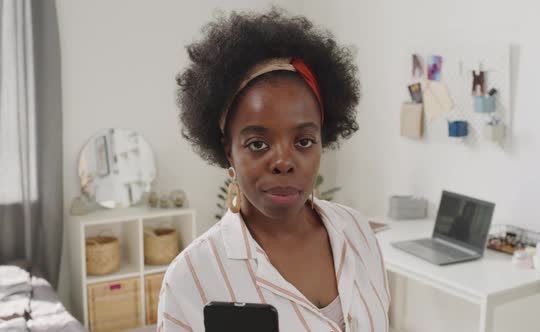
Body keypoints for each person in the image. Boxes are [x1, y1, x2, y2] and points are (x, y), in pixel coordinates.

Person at [157, 8, 390, 332]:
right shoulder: (191, 277)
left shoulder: (358, 232)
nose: (284, 161)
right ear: (229, 150)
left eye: (305, 141)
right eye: (257, 144)